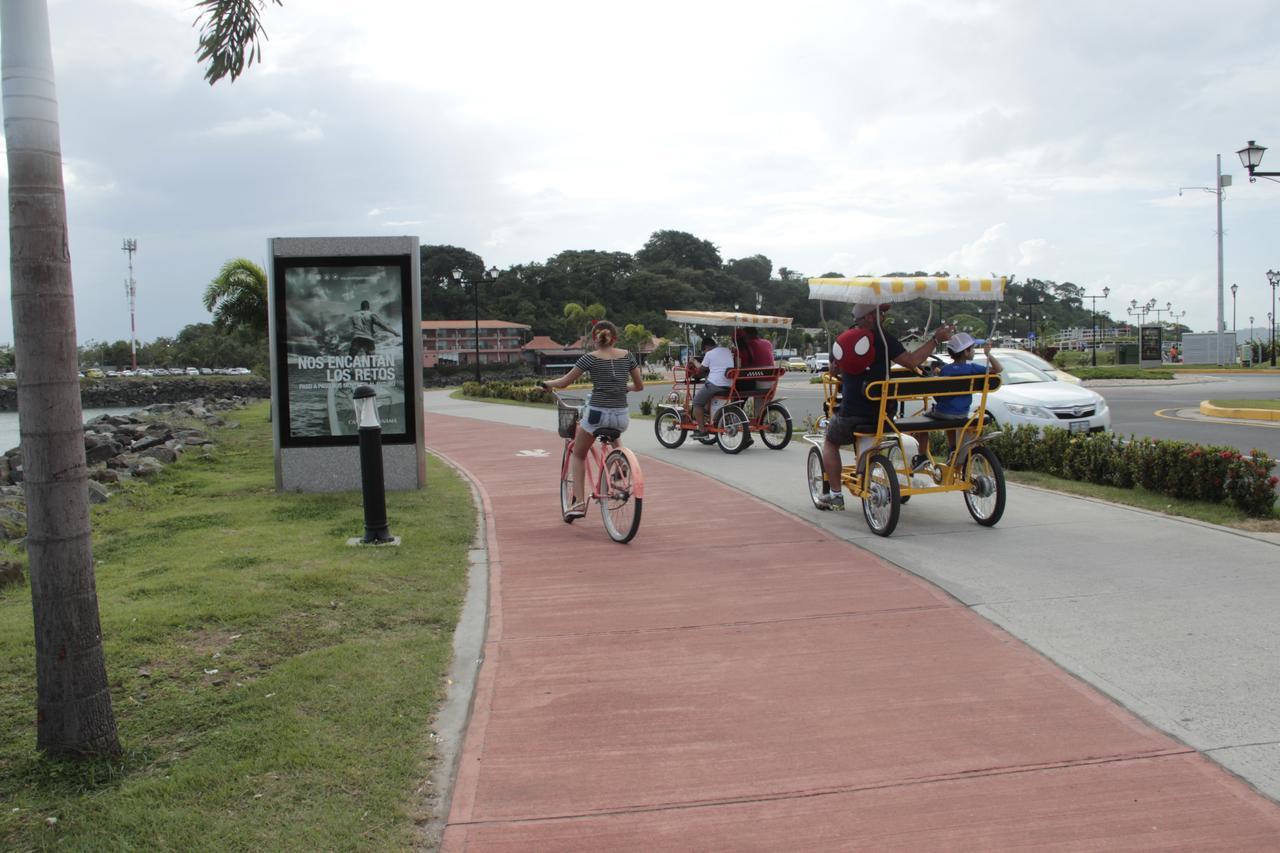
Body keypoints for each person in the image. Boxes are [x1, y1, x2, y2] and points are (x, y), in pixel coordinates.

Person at [817, 303, 953, 511]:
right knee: (875, 425)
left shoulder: (844, 340)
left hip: (851, 413)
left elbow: (835, 371)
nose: (884, 316)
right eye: (881, 313)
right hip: (883, 413)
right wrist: (935, 339)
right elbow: (912, 361)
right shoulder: (884, 339)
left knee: (830, 442)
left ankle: (835, 494)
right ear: (871, 317)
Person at [540, 320, 644, 520]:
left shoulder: (590, 358)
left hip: (597, 413)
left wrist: (547, 384)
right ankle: (621, 462)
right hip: (622, 416)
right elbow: (639, 386)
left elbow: (564, 382)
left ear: (595, 339)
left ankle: (578, 502)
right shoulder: (628, 356)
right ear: (615, 338)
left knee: (578, 454)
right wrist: (626, 388)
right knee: (614, 430)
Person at [923, 332, 1002, 454]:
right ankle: (954, 450)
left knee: (926, 414)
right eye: (972, 349)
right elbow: (998, 369)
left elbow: (939, 395)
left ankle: (948, 450)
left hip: (943, 413)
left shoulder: (945, 370)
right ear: (966, 352)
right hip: (963, 413)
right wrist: (988, 354)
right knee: (950, 415)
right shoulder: (972, 369)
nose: (974, 351)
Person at [686, 335, 735, 438]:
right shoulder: (726, 350)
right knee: (707, 396)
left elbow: (701, 370)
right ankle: (708, 414)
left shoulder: (709, 354)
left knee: (697, 402)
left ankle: (702, 430)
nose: (704, 353)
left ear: (707, 347)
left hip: (715, 384)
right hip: (729, 384)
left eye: (703, 350)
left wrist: (693, 361)